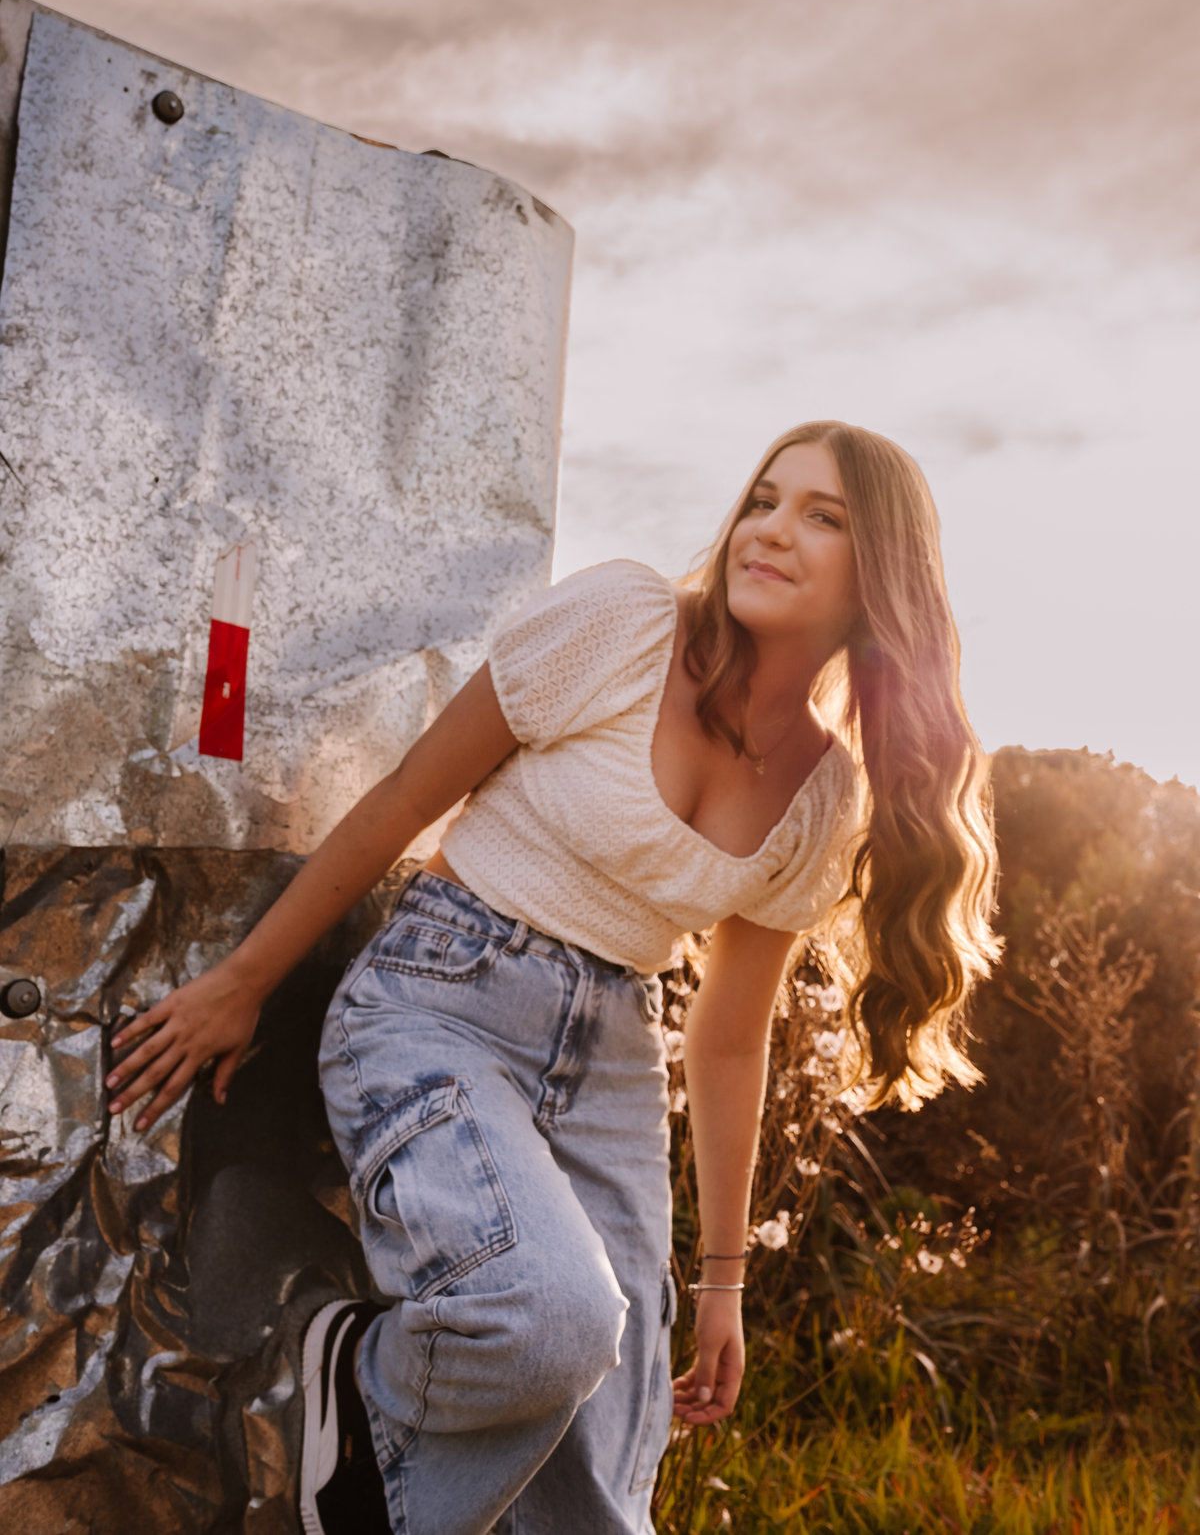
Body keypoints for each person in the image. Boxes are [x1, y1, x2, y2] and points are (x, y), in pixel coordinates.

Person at [105, 420, 997, 1535]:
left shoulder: (825, 795)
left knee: (599, 1495)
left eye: (823, 517)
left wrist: (721, 1282)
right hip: (442, 995)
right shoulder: (625, 623)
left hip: (614, 1060)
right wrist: (245, 980)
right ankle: (342, 1371)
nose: (769, 530)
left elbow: (730, 1036)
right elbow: (407, 797)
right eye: (764, 499)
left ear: (885, 577)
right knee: (554, 1322)